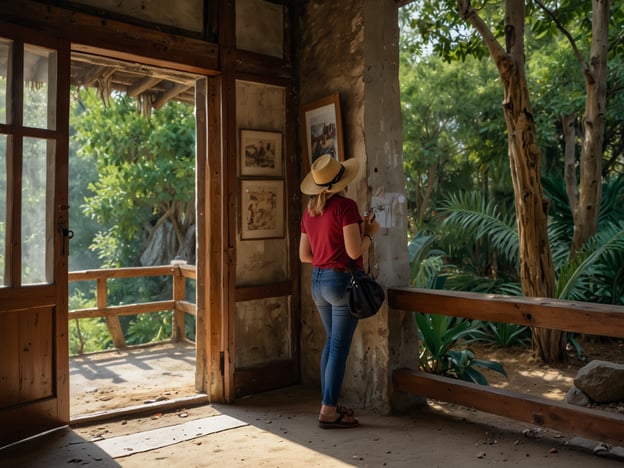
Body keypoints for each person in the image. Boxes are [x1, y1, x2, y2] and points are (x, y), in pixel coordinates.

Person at [299, 154, 380, 429]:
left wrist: (326, 255)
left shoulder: (310, 211)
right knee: (338, 347)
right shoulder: (346, 207)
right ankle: (328, 411)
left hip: (318, 282)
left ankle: (328, 404)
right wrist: (370, 233)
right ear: (341, 181)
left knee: (331, 342)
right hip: (340, 281)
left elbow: (304, 255)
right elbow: (354, 251)